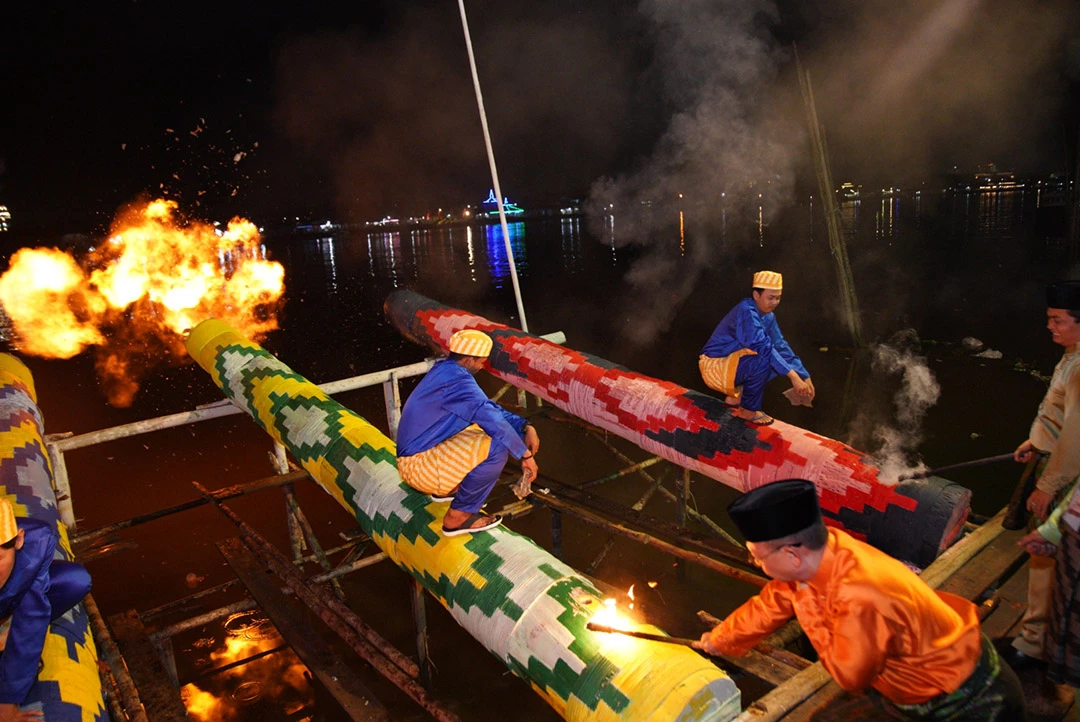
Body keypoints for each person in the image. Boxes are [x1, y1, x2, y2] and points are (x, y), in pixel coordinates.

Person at [696, 479, 1026, 721]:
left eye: (757, 557)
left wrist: (808, 606)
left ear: (792, 554)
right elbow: (771, 602)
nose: (756, 564)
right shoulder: (827, 549)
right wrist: (720, 639)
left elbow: (850, 675)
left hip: (968, 696)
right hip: (909, 679)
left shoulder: (859, 594)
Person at [1001, 280, 1080, 671]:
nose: (1050, 326)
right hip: (1052, 459)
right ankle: (1041, 636)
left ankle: (1033, 643)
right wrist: (1035, 440)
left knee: (1045, 552)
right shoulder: (1071, 355)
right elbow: (1060, 417)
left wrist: (1047, 487)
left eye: (1058, 320)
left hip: (1065, 478)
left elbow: (1076, 436)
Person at [396, 329, 539, 536]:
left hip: (419, 455)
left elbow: (489, 409)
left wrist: (525, 427)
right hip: (418, 468)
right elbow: (492, 418)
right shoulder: (458, 382)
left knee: (482, 430)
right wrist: (525, 456)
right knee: (498, 446)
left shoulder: (447, 371)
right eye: (482, 362)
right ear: (469, 360)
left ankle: (450, 488)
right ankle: (457, 518)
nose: (482, 366)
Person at [0, 497, 92, 722]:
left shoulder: (39, 541)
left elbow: (32, 612)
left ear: (19, 540)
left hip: (8, 598)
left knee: (75, 580)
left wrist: (7, 700)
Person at [698, 270, 814, 426]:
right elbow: (763, 346)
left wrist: (804, 376)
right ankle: (747, 410)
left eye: (778, 298)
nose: (774, 302)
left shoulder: (768, 317)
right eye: (770, 298)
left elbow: (781, 346)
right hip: (714, 366)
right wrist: (794, 377)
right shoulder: (746, 310)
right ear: (756, 295)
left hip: (731, 364)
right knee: (765, 359)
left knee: (778, 361)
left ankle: (736, 397)